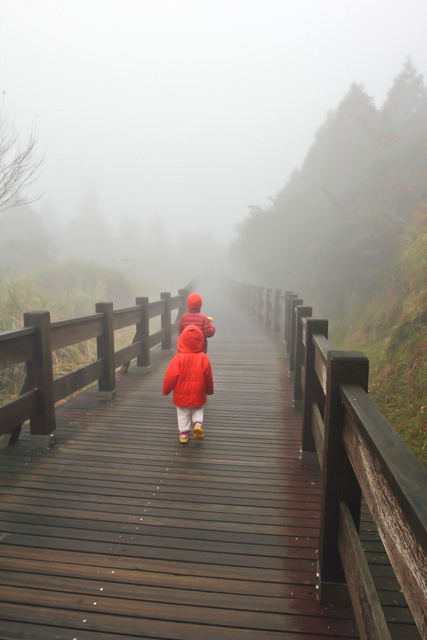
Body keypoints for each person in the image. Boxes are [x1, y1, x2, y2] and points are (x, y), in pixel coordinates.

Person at [162, 323, 214, 443]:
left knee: (183, 413)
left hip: (181, 394)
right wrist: (209, 390)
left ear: (181, 340)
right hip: (198, 392)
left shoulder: (178, 358)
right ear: (201, 340)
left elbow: (170, 376)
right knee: (198, 409)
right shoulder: (203, 358)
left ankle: (184, 435)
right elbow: (208, 377)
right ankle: (197, 424)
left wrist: (166, 390)